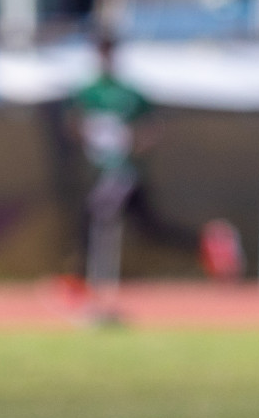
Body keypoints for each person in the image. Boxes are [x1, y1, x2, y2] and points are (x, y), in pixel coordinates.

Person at [65, 34, 232, 316]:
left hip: (122, 171)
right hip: (102, 168)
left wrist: (134, 144)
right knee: (148, 228)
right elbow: (73, 123)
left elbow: (152, 127)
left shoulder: (129, 93)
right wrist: (86, 135)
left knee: (92, 217)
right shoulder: (86, 91)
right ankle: (206, 243)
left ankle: (84, 283)